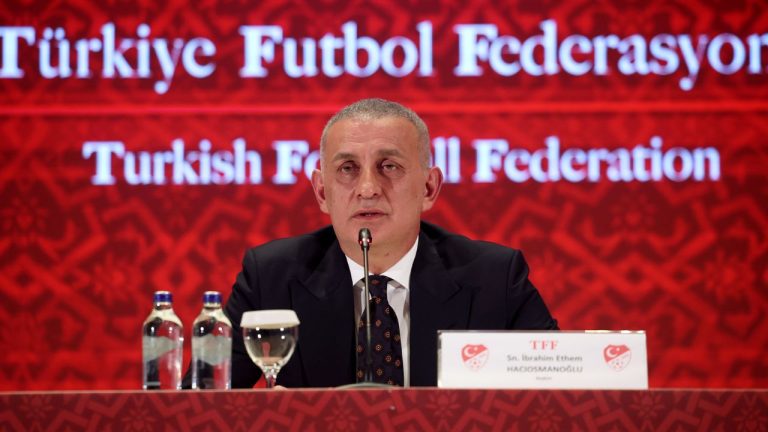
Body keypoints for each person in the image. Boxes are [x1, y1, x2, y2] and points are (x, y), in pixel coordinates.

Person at [225, 98, 558, 388]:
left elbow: (563, 396)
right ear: (322, 192)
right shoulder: (269, 279)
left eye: (389, 166)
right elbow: (198, 407)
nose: (368, 188)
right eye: (347, 168)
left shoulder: (495, 279)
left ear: (429, 188)